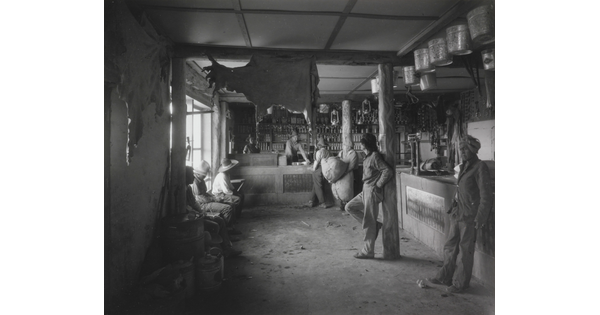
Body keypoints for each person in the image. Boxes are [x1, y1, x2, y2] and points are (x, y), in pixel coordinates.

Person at [425, 135, 492, 293]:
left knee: (465, 251)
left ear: (472, 150)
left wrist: (480, 217)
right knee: (450, 247)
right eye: (460, 149)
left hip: (469, 216)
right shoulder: (464, 166)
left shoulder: (480, 167)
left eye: (464, 149)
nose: (461, 152)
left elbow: (486, 196)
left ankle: (460, 283)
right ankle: (444, 276)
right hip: (457, 213)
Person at [345, 133, 393, 259]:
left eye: (362, 143)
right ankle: (375, 226)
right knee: (349, 207)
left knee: (368, 221)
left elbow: (387, 171)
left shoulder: (375, 156)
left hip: (371, 191)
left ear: (366, 144)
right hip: (364, 190)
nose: (360, 145)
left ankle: (368, 251)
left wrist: (378, 185)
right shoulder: (367, 156)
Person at [185, 166, 241, 258]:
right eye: (191, 175)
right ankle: (226, 244)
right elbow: (197, 201)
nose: (193, 176)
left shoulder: (189, 187)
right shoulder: (192, 185)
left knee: (221, 218)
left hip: (201, 208)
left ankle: (227, 240)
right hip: (201, 207)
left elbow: (194, 202)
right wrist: (212, 200)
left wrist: (201, 210)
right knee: (226, 210)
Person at [212, 158, 245, 223]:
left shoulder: (227, 174)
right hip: (219, 195)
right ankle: (234, 216)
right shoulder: (222, 176)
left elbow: (229, 185)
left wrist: (235, 191)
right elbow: (226, 190)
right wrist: (234, 193)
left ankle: (237, 215)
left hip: (224, 193)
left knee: (241, 195)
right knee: (237, 199)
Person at [332, 142, 359, 212]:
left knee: (348, 191)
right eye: (344, 145)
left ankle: (349, 208)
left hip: (349, 174)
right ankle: (342, 206)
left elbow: (352, 166)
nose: (344, 147)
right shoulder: (342, 152)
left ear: (349, 146)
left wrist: (344, 172)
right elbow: (338, 160)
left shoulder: (353, 153)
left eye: (345, 145)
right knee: (340, 189)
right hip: (342, 173)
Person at [307, 138, 331, 208]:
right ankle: (311, 201)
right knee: (316, 185)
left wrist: (313, 169)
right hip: (325, 170)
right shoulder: (328, 152)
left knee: (318, 186)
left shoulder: (319, 152)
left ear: (319, 146)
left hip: (318, 169)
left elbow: (316, 162)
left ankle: (322, 203)